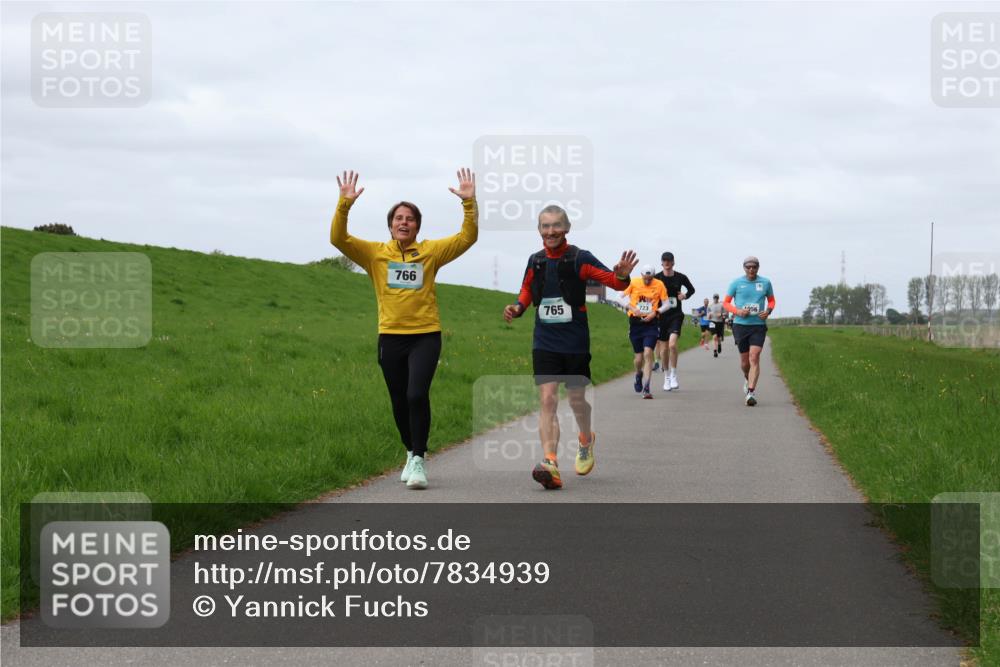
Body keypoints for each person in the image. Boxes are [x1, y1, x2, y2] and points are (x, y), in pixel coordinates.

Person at [330, 169, 478, 489]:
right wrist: (344, 205)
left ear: (417, 226)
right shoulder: (375, 254)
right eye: (398, 218)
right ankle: (410, 452)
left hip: (425, 335)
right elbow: (338, 239)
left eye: (410, 218)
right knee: (399, 399)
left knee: (416, 394)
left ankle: (420, 460)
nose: (404, 222)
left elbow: (467, 238)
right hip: (390, 337)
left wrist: (469, 204)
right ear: (390, 224)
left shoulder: (430, 252)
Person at [504, 206, 636, 490]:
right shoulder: (535, 261)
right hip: (545, 340)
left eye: (556, 226)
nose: (550, 231)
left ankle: (586, 439)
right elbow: (527, 289)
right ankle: (550, 462)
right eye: (545, 226)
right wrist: (517, 308)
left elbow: (612, 282)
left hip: (575, 340)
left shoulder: (580, 258)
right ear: (539, 230)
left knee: (577, 400)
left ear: (566, 228)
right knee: (548, 399)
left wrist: (622, 276)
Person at [723, 256, 775, 407]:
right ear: (744, 268)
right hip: (740, 325)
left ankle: (751, 392)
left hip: (758, 325)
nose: (751, 269)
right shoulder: (736, 283)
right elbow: (726, 303)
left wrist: (768, 311)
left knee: (754, 357)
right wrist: (737, 311)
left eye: (754, 267)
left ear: (758, 267)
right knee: (745, 363)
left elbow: (771, 300)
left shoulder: (765, 282)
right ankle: (747, 378)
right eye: (748, 267)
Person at [620, 265, 670, 399]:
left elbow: (667, 304)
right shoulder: (634, 282)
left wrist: (656, 312)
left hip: (651, 324)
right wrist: (631, 307)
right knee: (638, 358)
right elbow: (619, 296)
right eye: (645, 279)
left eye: (650, 279)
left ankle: (647, 388)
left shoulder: (659, 284)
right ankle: (638, 374)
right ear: (641, 275)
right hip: (635, 323)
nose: (647, 281)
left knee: (648, 353)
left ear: (653, 277)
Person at [653, 252, 695, 391]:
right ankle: (666, 377)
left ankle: (674, 374)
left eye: (669, 260)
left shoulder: (680, 277)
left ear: (673, 262)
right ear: (661, 262)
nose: (666, 262)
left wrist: (685, 295)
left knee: (672, 345)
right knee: (663, 349)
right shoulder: (656, 278)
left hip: (676, 315)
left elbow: (692, 289)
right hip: (661, 316)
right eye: (664, 260)